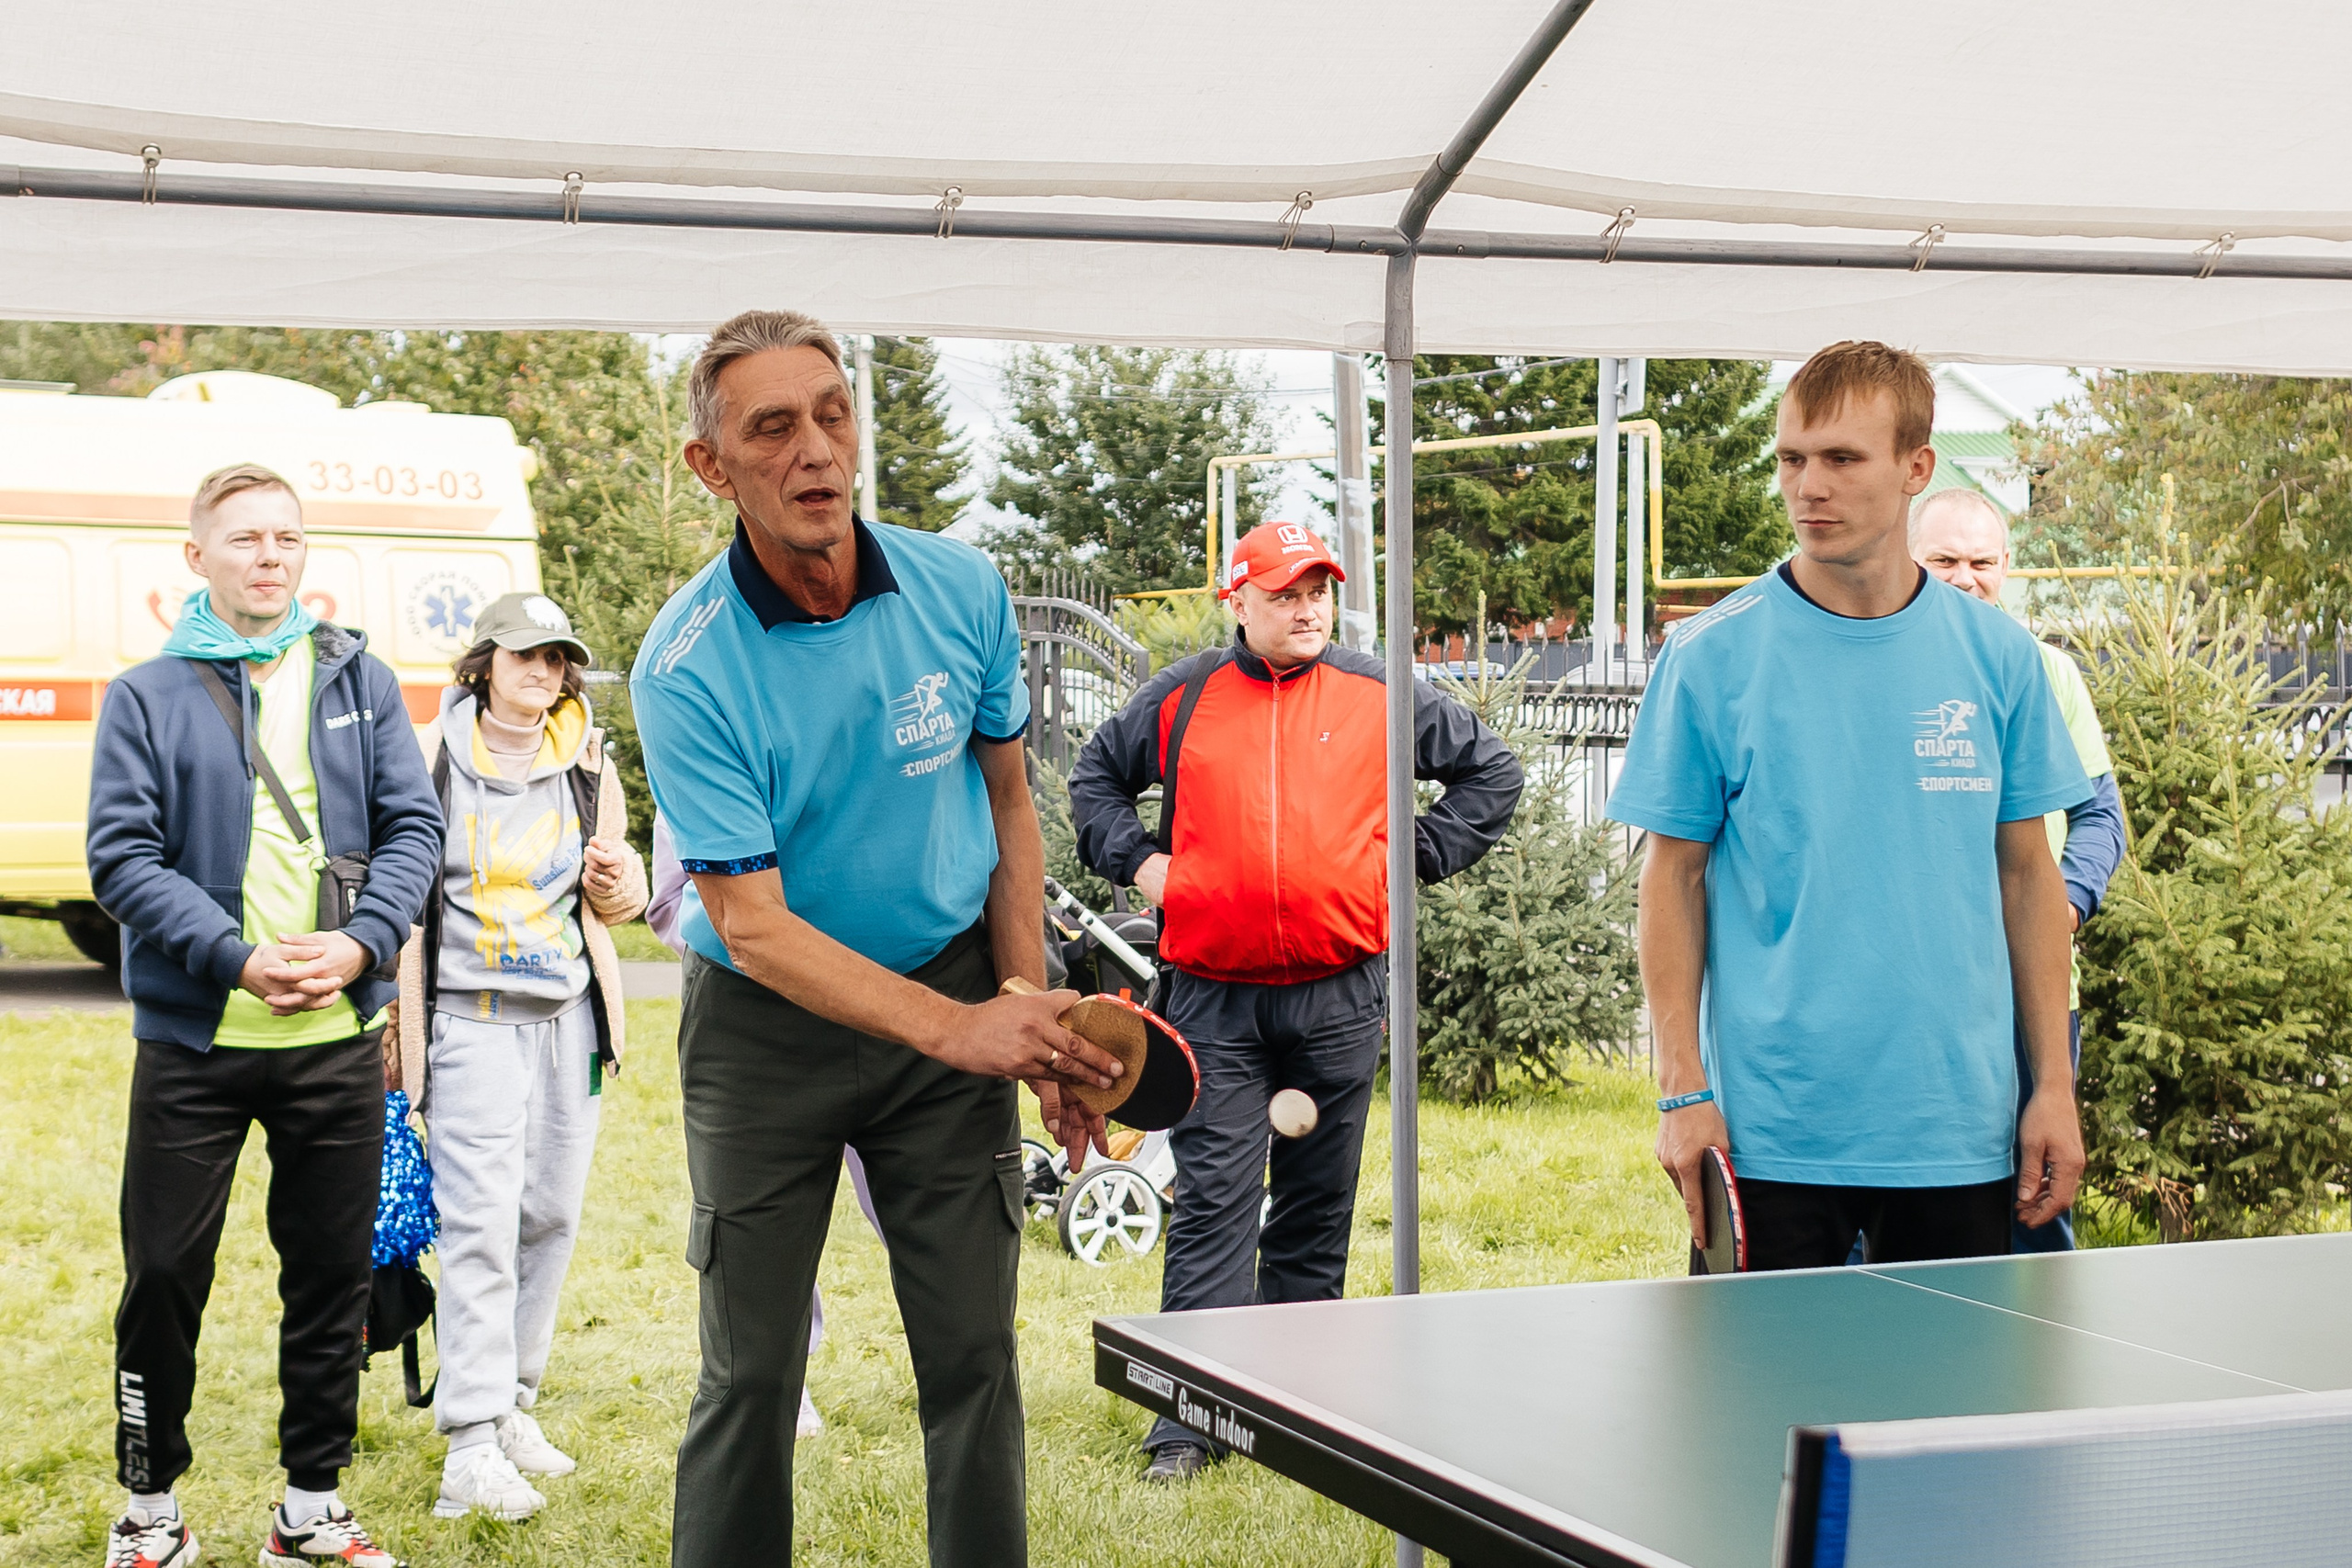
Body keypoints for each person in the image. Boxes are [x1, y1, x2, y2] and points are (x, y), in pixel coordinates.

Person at [629, 309, 1121, 1568]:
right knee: (749, 1372)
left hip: (952, 988)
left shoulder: (961, 588)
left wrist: (1026, 1009)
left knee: (974, 1357)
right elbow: (751, 919)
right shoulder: (684, 664)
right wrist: (964, 1030)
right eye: (771, 426)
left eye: (832, 413)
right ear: (712, 465)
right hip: (764, 1031)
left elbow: (1011, 801)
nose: (813, 450)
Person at [1609, 342, 2094, 1272]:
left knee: (1951, 1415)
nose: (1807, 487)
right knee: (1764, 1414)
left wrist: (2052, 1089)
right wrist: (1681, 1090)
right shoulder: (1710, 658)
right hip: (1769, 1134)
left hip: (1958, 1129)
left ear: (1916, 467)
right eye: (1792, 458)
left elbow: (2028, 877)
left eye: (1840, 459)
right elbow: (1672, 877)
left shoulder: (2000, 660)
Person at [1069, 520, 1522, 1483]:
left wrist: (1412, 861)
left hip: (1336, 998)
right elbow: (1095, 780)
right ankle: (1185, 1423)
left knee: (1316, 1208)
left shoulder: (1376, 694)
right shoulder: (1183, 697)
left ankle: (1294, 1411)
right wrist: (1141, 862)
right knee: (1213, 1209)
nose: (1306, 606)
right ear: (1238, 601)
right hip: (1214, 1005)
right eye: (1283, 592)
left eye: (1317, 588)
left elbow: (1490, 772)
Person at [87, 464, 442, 1568]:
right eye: (245, 539)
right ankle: (151, 1509)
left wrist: (361, 944)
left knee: (332, 1280)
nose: (270, 556)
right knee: (161, 1277)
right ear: (197, 558)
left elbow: (414, 833)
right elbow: (121, 860)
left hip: (334, 1043)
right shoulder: (147, 693)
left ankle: (310, 1508)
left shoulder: (359, 679)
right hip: (196, 1042)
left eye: (287, 538)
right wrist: (235, 961)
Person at [387, 592, 649, 1519]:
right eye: (521, 655)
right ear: (485, 663)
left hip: (567, 1021)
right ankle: (466, 1445)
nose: (539, 671)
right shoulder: (427, 755)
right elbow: (396, 884)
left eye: (554, 658)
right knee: (481, 1228)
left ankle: (512, 1411)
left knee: (549, 1218)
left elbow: (621, 899)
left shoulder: (587, 760)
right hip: (468, 1020)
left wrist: (620, 880)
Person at [1909, 489, 2126, 1251]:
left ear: (2007, 569)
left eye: (1981, 561)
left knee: (2032, 1200)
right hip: (1922, 998)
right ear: (1909, 559)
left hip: (2034, 991)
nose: (1964, 577)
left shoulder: (2048, 673)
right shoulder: (1886, 669)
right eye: (1943, 560)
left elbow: (2102, 816)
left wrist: (2059, 908)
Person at [645, 810, 885, 1440]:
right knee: (768, 1229)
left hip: (880, 1003)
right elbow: (670, 904)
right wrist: (764, 950)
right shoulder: (705, 746)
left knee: (915, 1206)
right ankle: (785, 1378)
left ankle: (957, 1364)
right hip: (758, 1020)